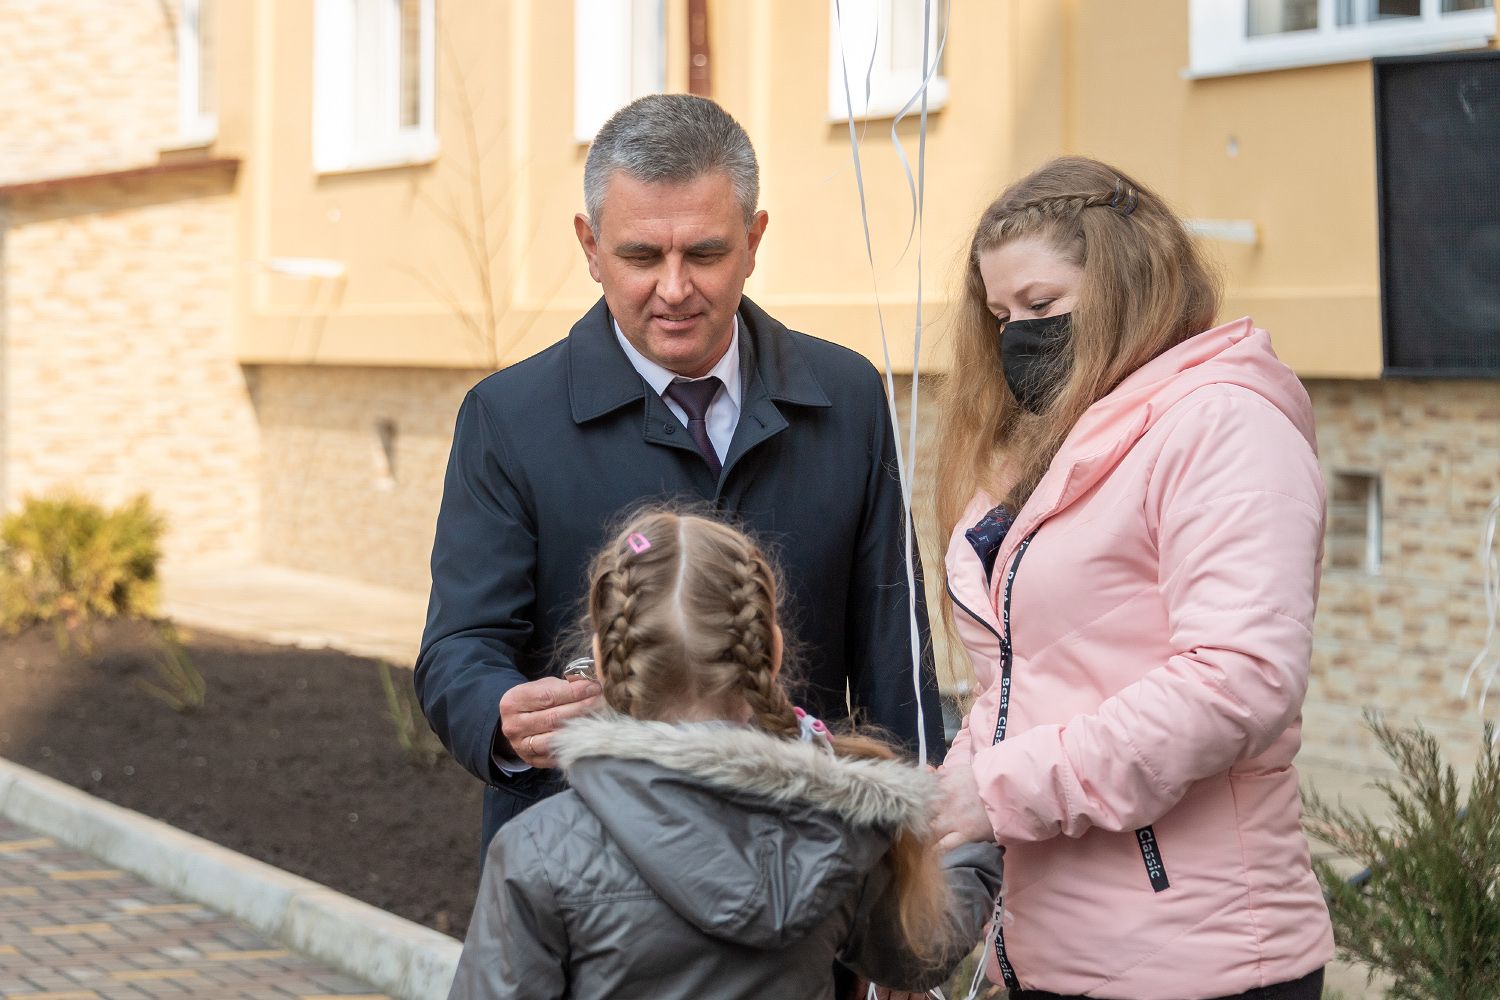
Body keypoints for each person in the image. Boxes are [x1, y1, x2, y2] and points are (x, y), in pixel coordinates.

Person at [415, 94, 944, 852]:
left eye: (704, 253)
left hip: (808, 864)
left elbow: (896, 654)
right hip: (591, 871)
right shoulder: (507, 418)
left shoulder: (849, 396)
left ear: (754, 241)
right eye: (640, 257)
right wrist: (498, 712)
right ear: (590, 246)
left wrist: (913, 862)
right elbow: (459, 645)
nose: (673, 289)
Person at [928, 157, 1335, 999]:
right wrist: (945, 809)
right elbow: (1019, 686)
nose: (1015, 336)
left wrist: (995, 792)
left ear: (1126, 285)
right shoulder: (1047, 450)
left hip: (1197, 961)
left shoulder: (1222, 424)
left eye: (1041, 306)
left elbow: (1238, 680)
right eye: (1000, 315)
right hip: (1052, 951)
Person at [447, 510, 1001, 1000]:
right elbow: (921, 952)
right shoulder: (840, 830)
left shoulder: (537, 850)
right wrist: (981, 831)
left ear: (602, 656)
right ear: (772, 652)